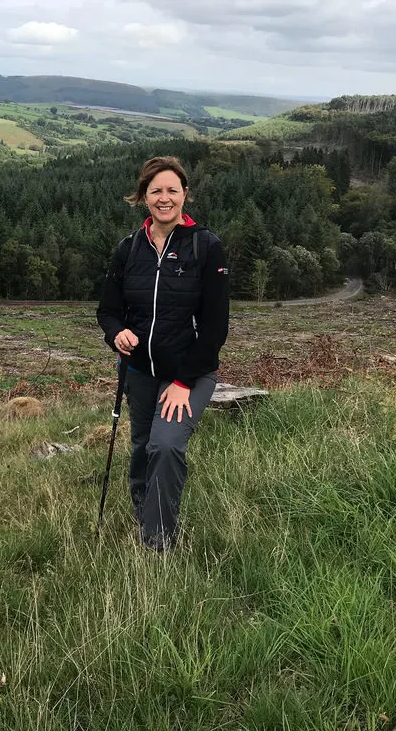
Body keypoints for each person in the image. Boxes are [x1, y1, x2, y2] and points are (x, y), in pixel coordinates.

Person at [96, 156, 230, 551]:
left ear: (185, 194)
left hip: (190, 372)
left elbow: (215, 328)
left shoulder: (206, 247)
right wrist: (116, 333)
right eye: (156, 191)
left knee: (166, 445)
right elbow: (108, 310)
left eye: (172, 190)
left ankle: (158, 543)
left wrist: (183, 381)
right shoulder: (128, 249)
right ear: (144, 196)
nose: (164, 198)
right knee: (142, 446)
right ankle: (144, 515)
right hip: (139, 370)